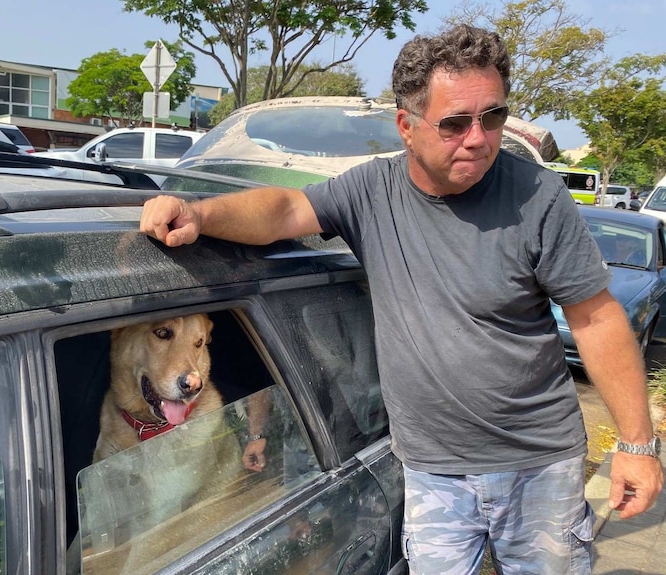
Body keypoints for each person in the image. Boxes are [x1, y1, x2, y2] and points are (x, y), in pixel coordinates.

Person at [140, 24, 664, 575]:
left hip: (539, 465)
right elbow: (284, 211)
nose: (478, 137)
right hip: (433, 472)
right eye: (455, 123)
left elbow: (597, 318)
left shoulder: (539, 197)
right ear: (406, 127)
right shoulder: (371, 191)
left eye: (493, 117)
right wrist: (200, 214)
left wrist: (637, 445)